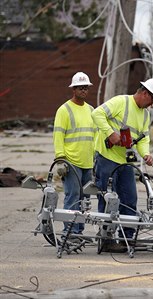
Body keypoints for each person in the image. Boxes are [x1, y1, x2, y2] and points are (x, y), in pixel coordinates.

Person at [92, 78, 153, 251]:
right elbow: (96, 114)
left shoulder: (145, 114)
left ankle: (127, 238)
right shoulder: (120, 102)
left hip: (125, 162)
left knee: (129, 199)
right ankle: (107, 238)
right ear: (145, 93)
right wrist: (110, 134)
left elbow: (143, 137)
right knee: (107, 198)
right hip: (107, 158)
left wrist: (145, 153)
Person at [53, 72, 96, 238]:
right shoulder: (64, 110)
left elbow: (94, 136)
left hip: (87, 163)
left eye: (86, 88)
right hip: (71, 162)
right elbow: (58, 135)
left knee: (85, 200)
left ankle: (78, 232)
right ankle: (70, 233)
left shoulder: (91, 110)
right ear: (74, 89)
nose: (84, 90)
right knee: (72, 198)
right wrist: (60, 159)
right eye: (80, 88)